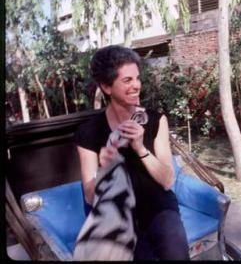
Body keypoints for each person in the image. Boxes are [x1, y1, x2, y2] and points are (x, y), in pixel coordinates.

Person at [74, 45, 190, 260]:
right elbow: (90, 197)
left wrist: (140, 148)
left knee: (176, 252)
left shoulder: (156, 120)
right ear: (107, 87)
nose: (136, 85)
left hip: (159, 208)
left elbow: (167, 180)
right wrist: (106, 168)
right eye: (127, 80)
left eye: (137, 78)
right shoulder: (88, 133)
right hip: (119, 214)